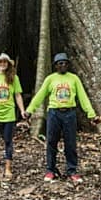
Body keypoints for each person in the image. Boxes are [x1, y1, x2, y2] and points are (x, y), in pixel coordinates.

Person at [26, 52, 96, 184]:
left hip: (69, 113)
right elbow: (40, 95)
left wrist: (90, 113)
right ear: (56, 66)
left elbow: (83, 97)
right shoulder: (50, 79)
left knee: (71, 143)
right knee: (52, 141)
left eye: (65, 63)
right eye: (60, 63)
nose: (63, 65)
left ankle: (72, 170)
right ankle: (50, 170)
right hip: (54, 113)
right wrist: (30, 110)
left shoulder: (74, 79)